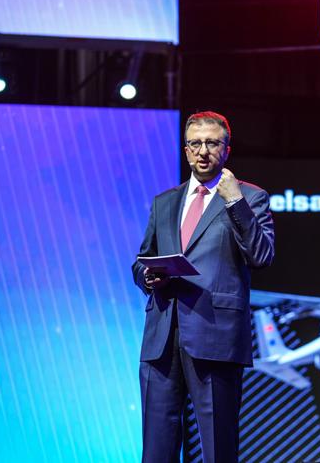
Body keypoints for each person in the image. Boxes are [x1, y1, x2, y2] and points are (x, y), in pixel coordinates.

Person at [132, 111, 274, 462]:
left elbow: (261, 255)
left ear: (227, 149)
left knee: (217, 446)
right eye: (195, 143)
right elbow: (143, 258)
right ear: (185, 150)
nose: (203, 151)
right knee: (157, 448)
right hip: (162, 336)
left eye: (212, 143)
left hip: (215, 333)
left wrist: (235, 201)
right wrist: (147, 276)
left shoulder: (250, 197)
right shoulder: (165, 201)